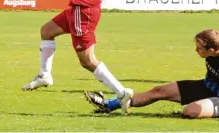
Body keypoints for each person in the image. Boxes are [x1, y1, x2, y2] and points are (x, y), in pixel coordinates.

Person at [22, 0, 134, 115]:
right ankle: (44, 75)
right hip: (83, 10)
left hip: (82, 14)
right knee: (47, 31)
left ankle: (121, 92)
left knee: (87, 61)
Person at [85, 29, 219, 118]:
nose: (196, 50)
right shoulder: (212, 51)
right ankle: (108, 105)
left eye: (199, 48)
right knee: (159, 90)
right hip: (206, 87)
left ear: (212, 50)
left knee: (191, 111)